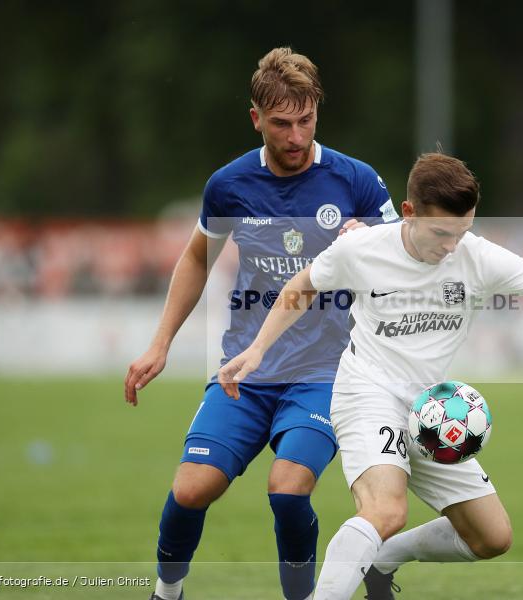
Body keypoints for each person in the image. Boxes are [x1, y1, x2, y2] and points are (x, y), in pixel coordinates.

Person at [218, 153, 523, 600]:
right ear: (408, 214)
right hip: (366, 392)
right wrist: (258, 349)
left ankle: (383, 559)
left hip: (430, 410)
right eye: (441, 234)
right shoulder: (362, 249)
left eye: (462, 231)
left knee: (491, 538)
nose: (453, 246)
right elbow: (301, 286)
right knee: (387, 512)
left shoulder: (476, 256)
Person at [124, 47, 397, 600]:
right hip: (245, 369)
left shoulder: (357, 181)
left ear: (317, 111)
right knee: (191, 489)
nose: (296, 136)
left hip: (326, 374)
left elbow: (404, 260)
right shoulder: (229, 184)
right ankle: (165, 593)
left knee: (288, 489)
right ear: (256, 118)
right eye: (281, 124)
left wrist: (367, 242)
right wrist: (160, 343)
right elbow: (197, 257)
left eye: (306, 121)